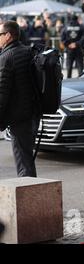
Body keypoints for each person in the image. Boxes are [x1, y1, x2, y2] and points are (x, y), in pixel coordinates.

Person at [0, 21, 40, 177]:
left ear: (8, 35)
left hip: (18, 118)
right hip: (32, 114)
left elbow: (2, 93)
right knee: (27, 159)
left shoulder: (6, 57)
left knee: (23, 163)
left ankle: (30, 197)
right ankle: (33, 194)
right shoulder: (28, 51)